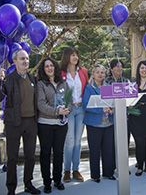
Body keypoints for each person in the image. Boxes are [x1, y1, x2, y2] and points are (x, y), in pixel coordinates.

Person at [0, 49, 41, 195]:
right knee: (12, 157)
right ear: (15, 62)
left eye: (26, 58)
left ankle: (28, 183)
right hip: (14, 123)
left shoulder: (33, 78)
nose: (25, 61)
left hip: (31, 123)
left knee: (30, 156)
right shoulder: (8, 79)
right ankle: (11, 188)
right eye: (22, 59)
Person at [37, 57, 72, 193]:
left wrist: (67, 110)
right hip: (45, 124)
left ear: (55, 67)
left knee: (59, 153)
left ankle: (57, 180)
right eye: (47, 66)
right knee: (45, 153)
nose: (50, 68)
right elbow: (40, 104)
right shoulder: (41, 84)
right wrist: (57, 111)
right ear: (43, 69)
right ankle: (47, 182)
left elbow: (69, 101)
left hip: (61, 124)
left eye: (52, 65)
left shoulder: (63, 84)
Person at [82, 64, 115, 183]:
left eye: (102, 72)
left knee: (108, 150)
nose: (100, 74)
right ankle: (95, 175)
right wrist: (101, 109)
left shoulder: (108, 87)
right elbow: (86, 105)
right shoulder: (89, 88)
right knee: (94, 150)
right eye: (97, 72)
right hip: (94, 124)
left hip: (108, 124)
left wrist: (112, 109)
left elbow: (113, 102)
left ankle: (108, 173)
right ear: (93, 74)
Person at [60, 47, 88, 182]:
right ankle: (66, 170)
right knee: (69, 141)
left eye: (76, 55)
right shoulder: (61, 73)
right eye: (72, 55)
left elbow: (86, 88)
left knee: (78, 141)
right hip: (69, 111)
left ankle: (76, 169)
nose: (75, 57)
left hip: (81, 109)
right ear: (66, 57)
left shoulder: (83, 72)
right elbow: (58, 92)